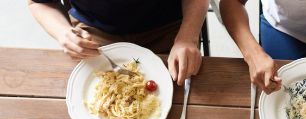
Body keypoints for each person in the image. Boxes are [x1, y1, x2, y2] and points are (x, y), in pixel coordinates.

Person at [27, 0, 210, 84]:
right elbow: (39, 2)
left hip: (169, 27)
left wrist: (188, 37)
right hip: (93, 32)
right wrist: (63, 33)